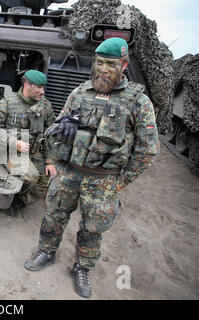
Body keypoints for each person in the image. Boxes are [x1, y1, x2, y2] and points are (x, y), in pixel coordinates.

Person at [23, 38, 160, 298]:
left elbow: (147, 150)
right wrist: (67, 123)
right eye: (99, 63)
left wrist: (121, 182)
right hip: (69, 171)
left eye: (110, 64)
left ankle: (82, 268)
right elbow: (56, 128)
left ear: (124, 65)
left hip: (104, 179)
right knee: (53, 215)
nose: (103, 70)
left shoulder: (138, 102)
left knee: (92, 228)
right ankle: (47, 252)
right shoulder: (79, 93)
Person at [0, 70, 56, 216]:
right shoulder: (8, 102)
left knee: (43, 186)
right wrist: (14, 142)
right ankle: (12, 200)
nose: (42, 91)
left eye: (43, 87)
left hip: (34, 150)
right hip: (10, 150)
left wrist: (49, 161)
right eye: (38, 87)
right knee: (30, 176)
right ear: (27, 85)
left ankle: (20, 199)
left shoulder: (45, 106)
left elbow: (50, 134)